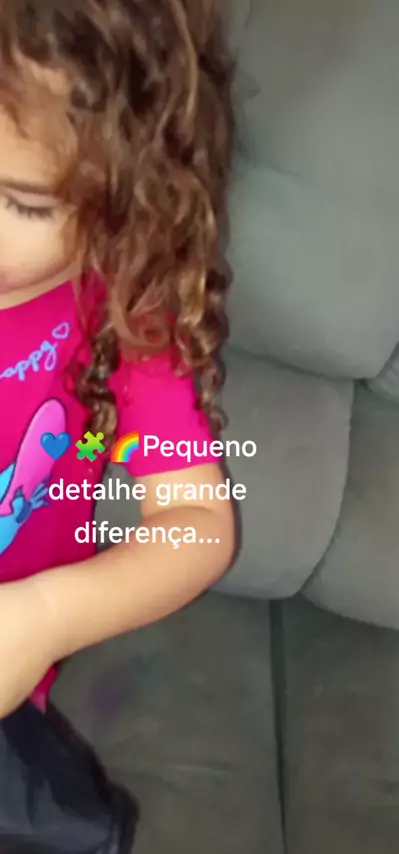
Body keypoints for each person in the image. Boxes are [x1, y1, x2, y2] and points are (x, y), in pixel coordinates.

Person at [0, 0, 235, 717]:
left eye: (24, 204)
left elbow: (195, 519)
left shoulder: (121, 316)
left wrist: (44, 619)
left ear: (129, 204)